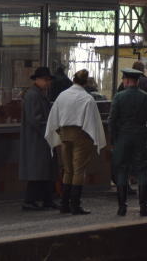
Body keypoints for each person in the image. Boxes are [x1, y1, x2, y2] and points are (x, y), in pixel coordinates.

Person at [45, 69, 106, 215]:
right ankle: (75, 205)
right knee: (79, 170)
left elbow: (54, 117)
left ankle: (64, 204)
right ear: (85, 82)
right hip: (81, 135)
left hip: (64, 134)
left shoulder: (62, 96)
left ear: (73, 79)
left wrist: (60, 132)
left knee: (68, 170)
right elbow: (92, 121)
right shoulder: (87, 98)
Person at [110, 68, 147, 217]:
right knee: (142, 171)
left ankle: (122, 207)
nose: (123, 82)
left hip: (123, 137)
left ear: (128, 81)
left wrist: (115, 139)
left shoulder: (118, 97)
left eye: (123, 80)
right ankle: (144, 207)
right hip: (140, 138)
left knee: (122, 170)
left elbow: (112, 120)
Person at [19, 66, 58, 211]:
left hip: (39, 138)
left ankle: (45, 199)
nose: (48, 83)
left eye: (49, 80)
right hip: (37, 139)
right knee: (38, 172)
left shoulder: (37, 93)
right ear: (38, 80)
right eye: (46, 80)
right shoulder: (33, 95)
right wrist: (48, 129)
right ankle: (31, 201)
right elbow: (35, 119)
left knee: (43, 171)